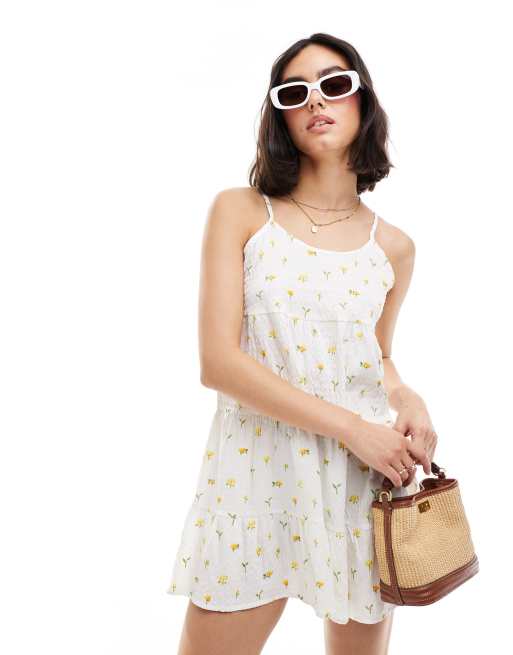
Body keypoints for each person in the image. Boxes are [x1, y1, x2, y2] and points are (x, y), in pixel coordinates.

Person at [167, 32, 438, 655]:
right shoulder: (241, 212)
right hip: (255, 469)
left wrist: (407, 398)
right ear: (281, 117)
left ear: (363, 100)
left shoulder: (393, 247)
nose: (316, 100)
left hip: (361, 475)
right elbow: (219, 363)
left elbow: (377, 356)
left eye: (334, 84)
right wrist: (353, 428)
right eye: (295, 92)